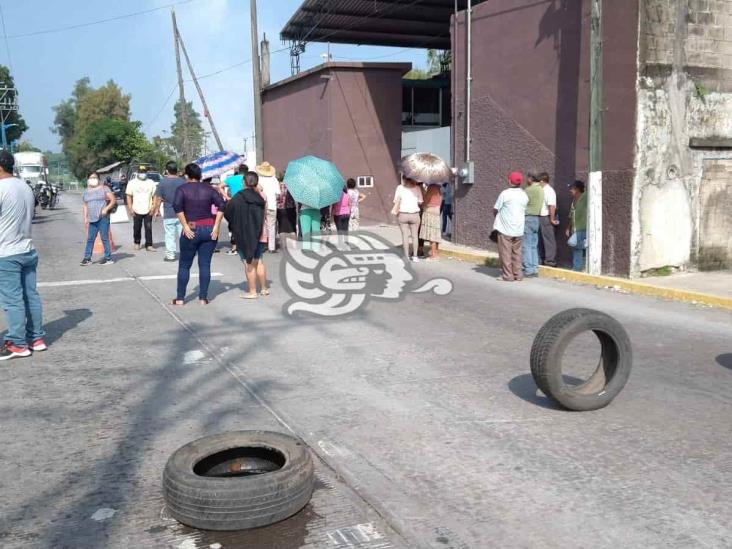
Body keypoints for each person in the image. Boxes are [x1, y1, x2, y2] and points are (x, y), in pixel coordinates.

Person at [0, 151, 46, 360]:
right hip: (27, 249)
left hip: (6, 253)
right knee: (31, 296)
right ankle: (36, 338)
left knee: (13, 300)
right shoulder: (24, 186)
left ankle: (17, 344)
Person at [172, 163, 225, 305]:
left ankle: (180, 298)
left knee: (184, 265)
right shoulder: (209, 189)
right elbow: (222, 205)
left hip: (191, 226)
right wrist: (216, 226)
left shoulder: (182, 189)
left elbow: (177, 207)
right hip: (209, 227)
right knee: (205, 264)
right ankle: (203, 298)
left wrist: (185, 226)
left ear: (187, 175)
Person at [224, 171, 269, 299]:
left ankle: (253, 291)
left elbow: (228, 212)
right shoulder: (262, 196)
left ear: (244, 182)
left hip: (244, 234)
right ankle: (264, 288)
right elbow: (265, 214)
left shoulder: (238, 197)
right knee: (259, 260)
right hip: (261, 231)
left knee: (248, 263)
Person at [494, 172, 529, 282]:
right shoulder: (524, 194)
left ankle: (507, 275)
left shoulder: (505, 193)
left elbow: (495, 209)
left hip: (505, 229)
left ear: (509, 181)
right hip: (519, 229)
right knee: (517, 253)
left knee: (505, 253)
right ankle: (518, 274)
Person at [81, 172, 117, 266]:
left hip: (103, 218)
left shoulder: (104, 188)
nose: (93, 179)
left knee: (104, 237)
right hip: (92, 219)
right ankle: (87, 258)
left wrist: (106, 208)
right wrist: (85, 217)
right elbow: (85, 205)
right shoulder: (85, 192)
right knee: (90, 239)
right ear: (88, 179)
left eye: (95, 177)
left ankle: (108, 258)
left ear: (98, 179)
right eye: (91, 177)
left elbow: (113, 200)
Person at [153, 161, 185, 262]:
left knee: (169, 235)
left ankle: (170, 256)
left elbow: (158, 198)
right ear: (176, 170)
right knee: (183, 235)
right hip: (182, 214)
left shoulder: (162, 182)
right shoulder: (183, 181)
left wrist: (156, 210)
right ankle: (185, 254)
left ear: (167, 171)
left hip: (168, 213)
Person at [125, 165, 156, 251]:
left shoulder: (151, 182)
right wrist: (130, 209)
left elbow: (155, 196)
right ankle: (137, 242)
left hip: (148, 209)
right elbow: (128, 196)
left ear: (146, 173)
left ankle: (149, 245)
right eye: (141, 172)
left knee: (148, 228)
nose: (143, 174)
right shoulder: (132, 183)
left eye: (144, 172)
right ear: (138, 173)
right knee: (137, 228)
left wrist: (153, 208)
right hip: (136, 209)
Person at [393, 177, 423, 261]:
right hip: (415, 215)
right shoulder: (417, 188)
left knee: (405, 236)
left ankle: (406, 256)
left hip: (403, 214)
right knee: (415, 236)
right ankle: (415, 257)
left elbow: (396, 201)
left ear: (404, 179)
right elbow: (420, 201)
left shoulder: (399, 188)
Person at [522, 173, 544, 277]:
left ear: (531, 179)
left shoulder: (528, 190)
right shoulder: (541, 189)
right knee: (533, 245)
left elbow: (522, 203)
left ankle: (528, 269)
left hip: (528, 217)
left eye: (527, 178)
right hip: (537, 218)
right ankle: (535, 268)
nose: (526, 180)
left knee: (526, 245)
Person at [255, 162, 280, 252]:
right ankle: (271, 247)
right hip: (272, 206)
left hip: (260, 206)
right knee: (271, 226)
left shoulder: (258, 180)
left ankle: (261, 245)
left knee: (260, 225)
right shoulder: (275, 180)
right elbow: (278, 194)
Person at [224, 164, 248, 255]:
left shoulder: (231, 179)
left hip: (233, 203)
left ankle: (234, 248)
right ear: (246, 171)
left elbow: (219, 186)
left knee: (233, 225)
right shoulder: (246, 179)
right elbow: (260, 188)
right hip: (245, 203)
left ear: (238, 170)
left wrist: (227, 197)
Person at [538, 172, 559, 266]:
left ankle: (550, 260)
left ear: (542, 181)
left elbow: (552, 206)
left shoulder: (549, 191)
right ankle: (542, 259)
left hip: (546, 217)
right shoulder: (543, 190)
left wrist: (551, 219)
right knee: (541, 240)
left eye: (538, 181)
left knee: (549, 239)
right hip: (541, 217)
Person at [567, 180, 588, 271]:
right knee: (577, 248)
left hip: (583, 227)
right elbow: (571, 215)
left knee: (573, 243)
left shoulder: (585, 196)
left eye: (572, 188)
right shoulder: (573, 201)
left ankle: (577, 267)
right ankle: (577, 267)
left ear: (578, 189)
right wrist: (568, 228)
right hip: (575, 229)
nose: (570, 190)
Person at [420, 183, 443, 261]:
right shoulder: (439, 189)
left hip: (430, 211)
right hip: (436, 211)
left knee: (431, 233)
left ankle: (433, 255)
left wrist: (421, 204)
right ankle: (436, 252)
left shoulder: (431, 188)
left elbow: (426, 200)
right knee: (435, 232)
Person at [276, 171, 297, 249]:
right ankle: (294, 245)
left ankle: (283, 245)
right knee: (292, 226)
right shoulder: (292, 186)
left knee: (282, 227)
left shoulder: (278, 185)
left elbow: (278, 197)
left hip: (280, 208)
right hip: (291, 207)